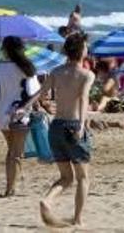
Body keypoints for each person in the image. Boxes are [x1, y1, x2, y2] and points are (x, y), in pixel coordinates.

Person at [38, 33, 95, 228]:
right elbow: (84, 98)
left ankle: (47, 201)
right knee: (83, 178)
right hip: (72, 126)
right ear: (81, 51)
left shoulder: (56, 71)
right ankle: (78, 219)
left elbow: (40, 92)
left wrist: (25, 105)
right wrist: (81, 124)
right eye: (86, 46)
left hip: (56, 127)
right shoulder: (87, 74)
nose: (88, 49)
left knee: (66, 177)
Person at [0, 36, 40, 197]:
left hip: (3, 115)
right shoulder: (27, 68)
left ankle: (12, 185)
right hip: (21, 114)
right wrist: (30, 106)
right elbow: (35, 92)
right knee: (16, 153)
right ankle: (10, 188)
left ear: (5, 50)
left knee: (11, 151)